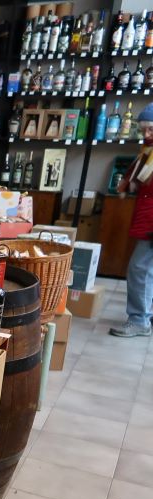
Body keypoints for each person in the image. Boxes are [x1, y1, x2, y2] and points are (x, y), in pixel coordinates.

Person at [110, 103, 153, 337]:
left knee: (139, 269)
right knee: (147, 270)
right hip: (146, 217)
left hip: (150, 222)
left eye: (151, 129)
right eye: (143, 129)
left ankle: (139, 320)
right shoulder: (147, 152)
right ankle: (145, 316)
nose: (146, 134)